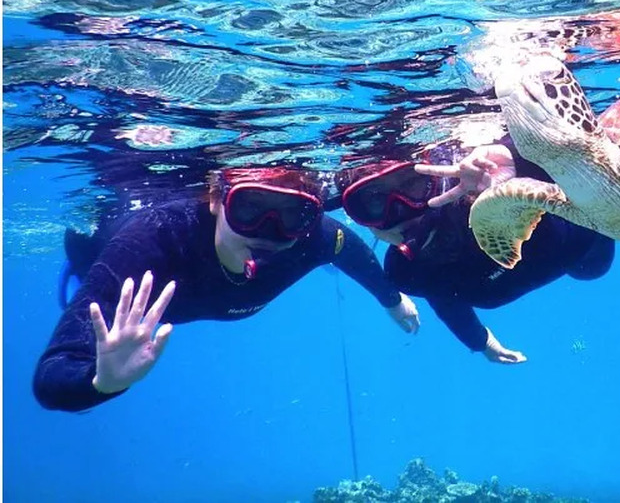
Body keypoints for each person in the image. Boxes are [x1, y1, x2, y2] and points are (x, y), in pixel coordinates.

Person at [34, 166, 420, 413]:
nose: (269, 232)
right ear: (217, 200)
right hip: (99, 248)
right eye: (249, 208)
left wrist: (392, 300)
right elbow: (51, 377)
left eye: (293, 214)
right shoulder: (153, 244)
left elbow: (346, 247)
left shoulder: (309, 239)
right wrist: (100, 384)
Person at [332, 141, 620, 364]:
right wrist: (480, 342)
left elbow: (570, 145)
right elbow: (445, 299)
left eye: (413, 185)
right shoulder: (407, 272)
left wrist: (508, 161)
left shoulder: (495, 189)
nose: (400, 210)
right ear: (358, 218)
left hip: (608, 214)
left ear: (437, 178)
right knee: (597, 271)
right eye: (373, 202)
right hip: (582, 256)